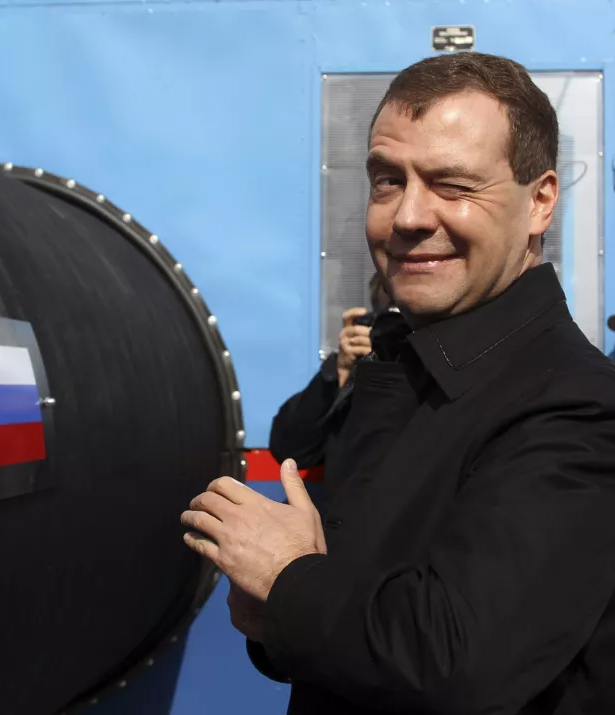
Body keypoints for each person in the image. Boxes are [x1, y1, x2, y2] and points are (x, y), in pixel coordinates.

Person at [181, 51, 615, 714]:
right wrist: (278, 618)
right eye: (387, 181)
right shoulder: (405, 368)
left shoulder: (579, 406)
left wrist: (289, 580)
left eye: (451, 185)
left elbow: (458, 661)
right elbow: (366, 607)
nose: (408, 216)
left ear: (540, 202)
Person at [268, 273, 406, 478]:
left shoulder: (450, 378)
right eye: (388, 322)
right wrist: (339, 371)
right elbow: (291, 451)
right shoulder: (357, 375)